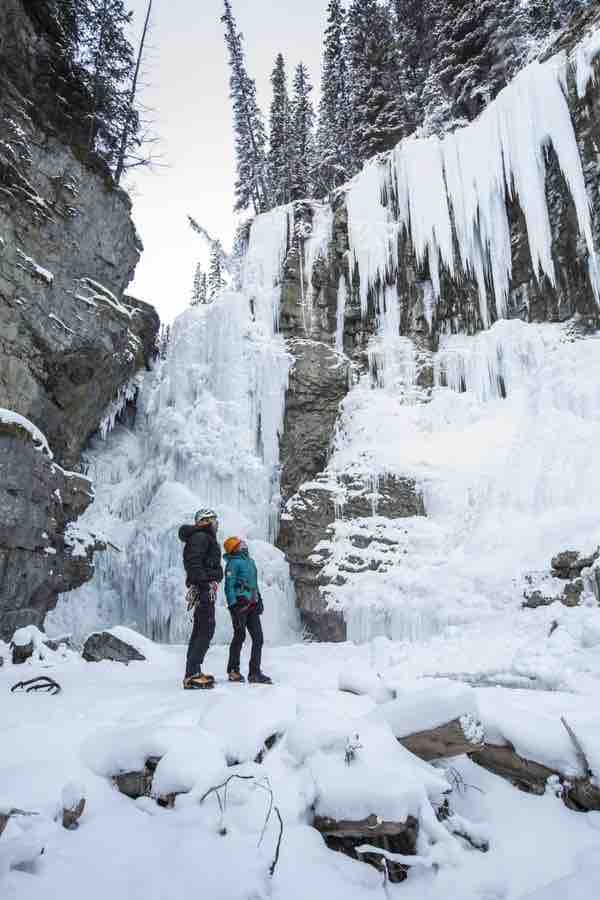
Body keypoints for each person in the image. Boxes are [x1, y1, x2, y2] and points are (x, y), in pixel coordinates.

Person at [178, 508, 223, 689]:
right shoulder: (201, 537)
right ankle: (192, 674)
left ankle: (193, 671)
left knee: (202, 629)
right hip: (204, 589)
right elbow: (193, 561)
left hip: (205, 588)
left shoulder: (203, 537)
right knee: (205, 629)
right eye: (214, 520)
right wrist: (204, 583)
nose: (216, 523)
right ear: (206, 521)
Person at [223, 537, 272, 684]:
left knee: (258, 638)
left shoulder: (250, 562)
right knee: (239, 636)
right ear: (235, 548)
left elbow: (254, 584)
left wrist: (259, 599)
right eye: (240, 544)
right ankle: (233, 670)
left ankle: (254, 672)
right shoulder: (233, 563)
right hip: (239, 604)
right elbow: (229, 586)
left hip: (252, 603)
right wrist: (233, 605)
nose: (244, 544)